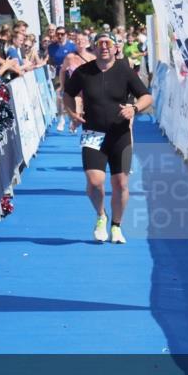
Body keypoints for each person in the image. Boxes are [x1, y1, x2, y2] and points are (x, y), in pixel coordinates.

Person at [62, 32, 152, 244]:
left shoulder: (125, 71)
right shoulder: (84, 72)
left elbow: (146, 96)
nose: (104, 47)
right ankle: (101, 216)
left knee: (120, 184)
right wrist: (72, 113)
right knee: (95, 183)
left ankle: (117, 226)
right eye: (100, 43)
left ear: (115, 48)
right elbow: (68, 93)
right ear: (94, 48)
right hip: (93, 134)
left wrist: (134, 108)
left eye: (108, 43)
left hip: (120, 135)